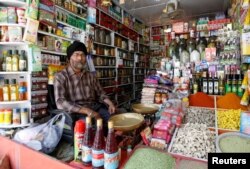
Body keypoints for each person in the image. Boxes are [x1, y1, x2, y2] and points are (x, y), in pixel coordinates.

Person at [53, 41, 116, 132]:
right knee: (89, 130)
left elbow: (101, 93)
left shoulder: (90, 76)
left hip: (94, 108)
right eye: (76, 54)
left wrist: (110, 104)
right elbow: (60, 102)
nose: (80, 58)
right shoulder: (60, 77)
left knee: (114, 121)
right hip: (76, 113)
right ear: (69, 57)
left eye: (83, 55)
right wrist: (87, 111)